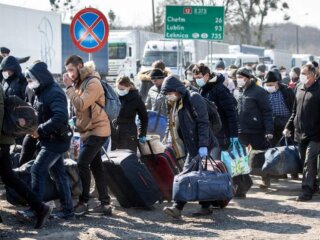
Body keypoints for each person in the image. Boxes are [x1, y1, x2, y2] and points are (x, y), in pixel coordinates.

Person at [18, 61, 75, 221]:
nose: (29, 83)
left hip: (56, 140)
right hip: (48, 139)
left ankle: (36, 209)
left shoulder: (54, 92)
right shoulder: (40, 91)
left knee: (37, 169)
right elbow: (38, 112)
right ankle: (68, 211)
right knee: (58, 174)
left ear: (40, 78)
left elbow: (60, 116)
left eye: (30, 80)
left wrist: (40, 130)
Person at [161, 75, 219, 219]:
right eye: (166, 94)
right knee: (201, 176)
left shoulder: (193, 99)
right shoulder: (178, 102)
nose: (168, 96)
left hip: (203, 145)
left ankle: (177, 207)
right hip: (192, 145)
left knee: (187, 175)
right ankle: (206, 206)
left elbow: (203, 123)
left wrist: (203, 146)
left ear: (176, 90)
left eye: (169, 93)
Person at [64, 55, 112, 215]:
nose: (69, 74)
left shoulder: (93, 82)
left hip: (98, 130)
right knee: (96, 166)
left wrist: (69, 88)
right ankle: (105, 204)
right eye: (67, 71)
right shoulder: (80, 82)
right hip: (88, 131)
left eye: (71, 70)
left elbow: (81, 104)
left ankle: (84, 202)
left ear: (79, 66)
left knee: (82, 163)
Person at [0, 83, 52, 229]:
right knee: (9, 177)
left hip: (1, 140)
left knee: (9, 176)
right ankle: (40, 208)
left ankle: (40, 208)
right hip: (3, 139)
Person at [283, 64, 320, 201]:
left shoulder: (318, 90)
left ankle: (306, 191)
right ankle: (314, 185)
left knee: (309, 162)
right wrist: (288, 127)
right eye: (302, 73)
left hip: (315, 135)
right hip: (300, 133)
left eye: (305, 74)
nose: (302, 76)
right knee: (303, 161)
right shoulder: (299, 87)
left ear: (313, 75)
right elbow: (294, 111)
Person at [236, 67, 273, 193]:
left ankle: (265, 177)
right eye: (237, 77)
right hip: (241, 129)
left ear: (248, 78)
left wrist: (269, 130)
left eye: (241, 77)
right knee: (241, 157)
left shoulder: (259, 92)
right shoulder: (239, 91)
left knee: (261, 155)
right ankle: (243, 182)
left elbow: (267, 112)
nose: (239, 80)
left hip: (257, 129)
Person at [261, 69, 295, 187]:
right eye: (267, 85)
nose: (269, 87)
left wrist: (291, 125)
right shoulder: (263, 92)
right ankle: (276, 173)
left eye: (271, 84)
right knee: (273, 148)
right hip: (270, 122)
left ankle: (290, 170)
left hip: (285, 121)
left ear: (277, 83)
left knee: (286, 147)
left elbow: (293, 107)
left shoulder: (287, 91)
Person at [192, 64, 238, 152]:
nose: (197, 80)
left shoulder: (219, 89)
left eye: (199, 77)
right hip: (210, 134)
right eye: (195, 78)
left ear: (207, 75)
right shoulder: (203, 89)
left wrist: (234, 135)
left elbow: (231, 113)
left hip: (222, 134)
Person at [114, 76, 148, 152]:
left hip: (129, 131)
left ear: (129, 87)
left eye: (122, 89)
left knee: (129, 155)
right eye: (118, 89)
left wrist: (143, 134)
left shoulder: (136, 98)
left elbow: (144, 117)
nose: (120, 91)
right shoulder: (115, 96)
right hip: (115, 129)